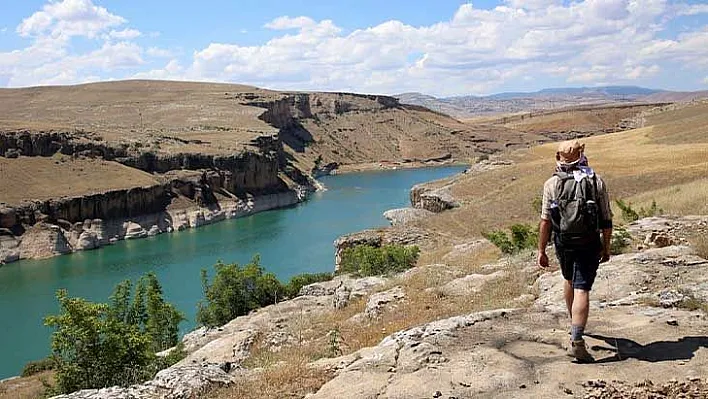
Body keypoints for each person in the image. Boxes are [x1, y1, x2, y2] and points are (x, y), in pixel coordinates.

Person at [537, 140, 613, 363]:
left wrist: (541, 250)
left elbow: (545, 222)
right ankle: (577, 339)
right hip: (589, 241)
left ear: (558, 158)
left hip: (563, 242)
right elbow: (606, 219)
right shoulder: (595, 180)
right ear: (582, 155)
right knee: (582, 289)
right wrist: (606, 246)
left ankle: (574, 325)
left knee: (569, 279)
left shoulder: (551, 184)